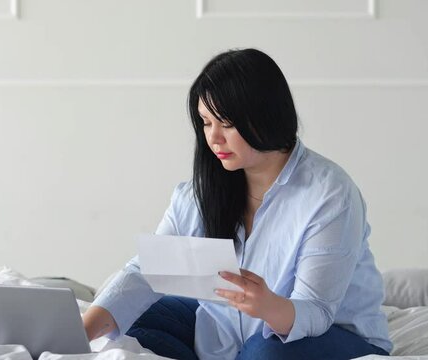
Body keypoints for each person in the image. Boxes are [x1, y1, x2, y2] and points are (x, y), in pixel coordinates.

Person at [82, 48, 392, 360]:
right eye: (205, 122)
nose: (213, 138)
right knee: (132, 317)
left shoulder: (329, 194)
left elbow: (318, 311)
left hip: (328, 334)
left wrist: (269, 305)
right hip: (227, 332)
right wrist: (81, 332)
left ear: (266, 116)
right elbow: (147, 272)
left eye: (226, 123)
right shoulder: (199, 193)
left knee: (264, 351)